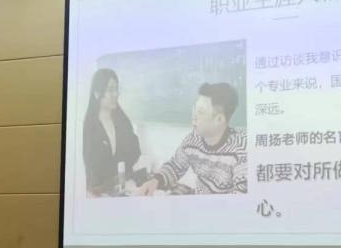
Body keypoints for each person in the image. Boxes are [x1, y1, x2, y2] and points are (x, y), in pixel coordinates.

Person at [139, 82, 246, 196]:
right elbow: (176, 165)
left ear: (219, 119)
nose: (194, 116)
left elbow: (242, 195)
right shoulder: (193, 139)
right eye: (194, 109)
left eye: (200, 112)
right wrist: (156, 181)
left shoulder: (241, 149)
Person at [82, 68, 142, 196]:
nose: (116, 94)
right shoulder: (89, 126)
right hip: (99, 191)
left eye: (116, 89)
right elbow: (92, 166)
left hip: (125, 185)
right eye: (110, 90)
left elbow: (135, 151)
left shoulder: (122, 120)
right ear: (97, 93)